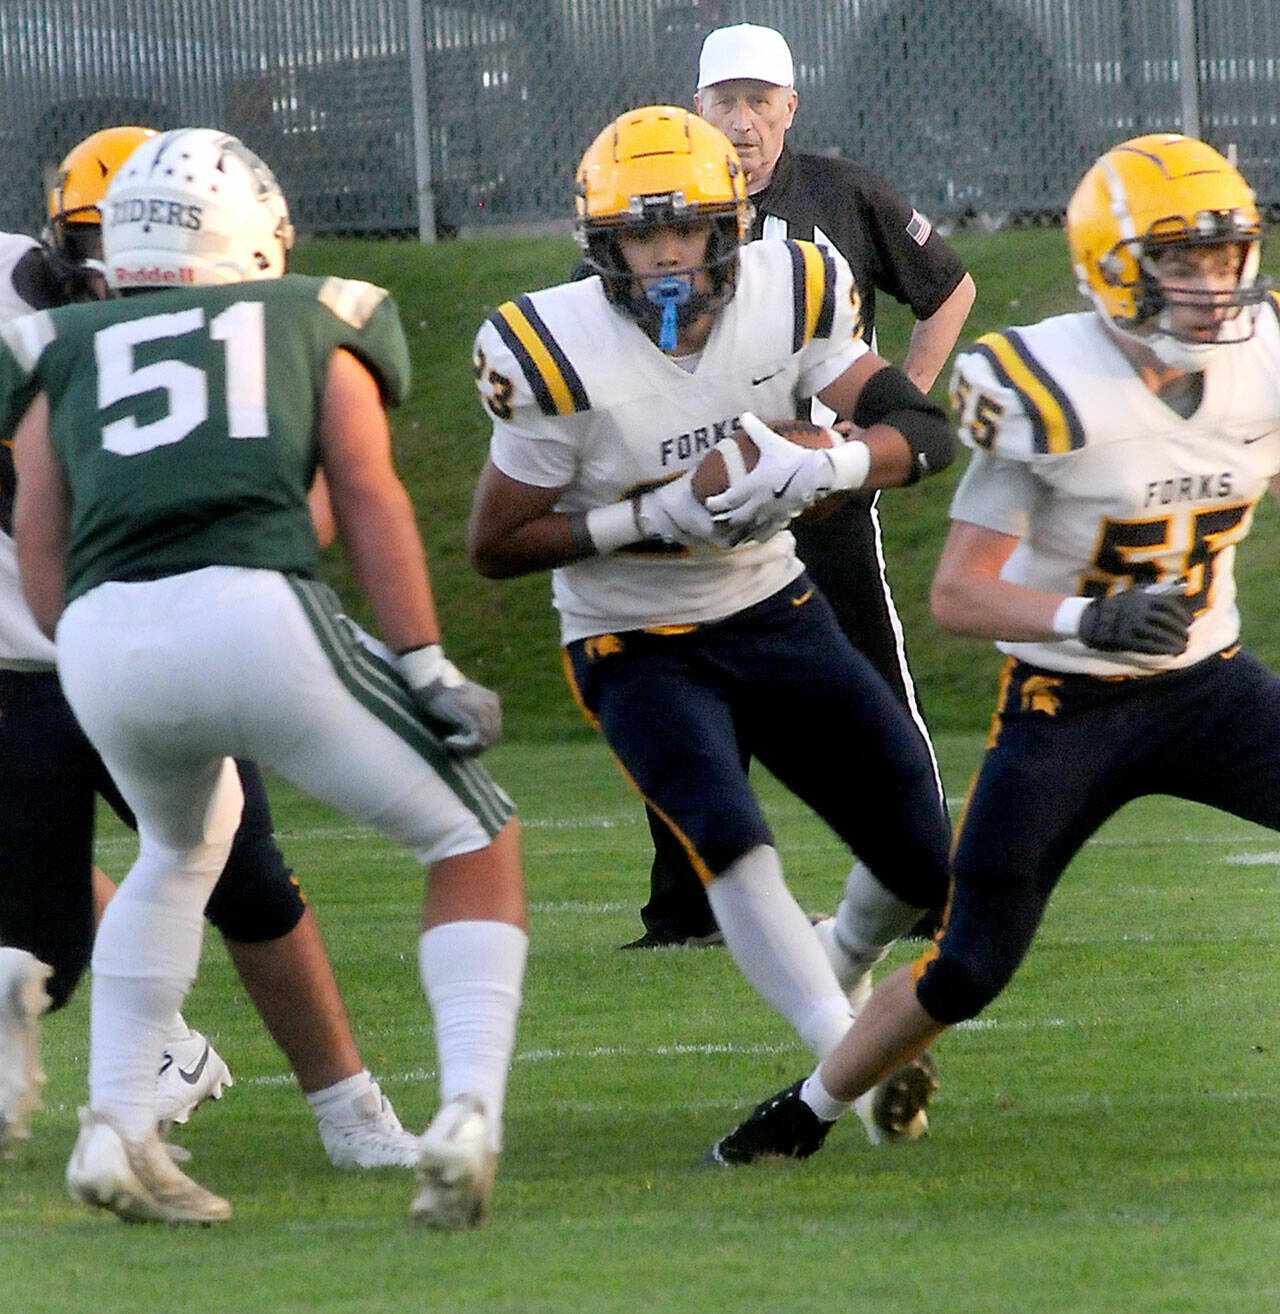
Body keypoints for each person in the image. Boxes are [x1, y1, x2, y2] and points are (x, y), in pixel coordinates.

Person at [704, 131, 1280, 1166]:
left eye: (1223, 256)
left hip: (1209, 683)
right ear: (1112, 266)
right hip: (1069, 705)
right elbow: (957, 593)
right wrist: (1080, 619)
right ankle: (806, 1109)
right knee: (967, 965)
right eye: (1179, 261)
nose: (1211, 285)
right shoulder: (1045, 388)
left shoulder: (1262, 358)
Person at [10, 127, 527, 1228]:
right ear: (252, 238)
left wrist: (97, 650)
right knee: (473, 837)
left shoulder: (60, 343)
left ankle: (116, 1128)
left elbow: (40, 538)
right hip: (250, 608)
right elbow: (369, 495)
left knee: (176, 850)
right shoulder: (313, 312)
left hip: (96, 642)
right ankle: (466, 1113)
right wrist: (424, 662)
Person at [466, 105, 954, 1147]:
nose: (664, 258)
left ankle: (826, 963)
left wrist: (823, 465)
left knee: (920, 852)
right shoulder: (551, 348)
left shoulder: (796, 288)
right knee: (726, 839)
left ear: (728, 226)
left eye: (682, 230)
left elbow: (922, 430)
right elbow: (496, 544)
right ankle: (849, 1064)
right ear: (604, 247)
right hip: (628, 638)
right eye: (642, 237)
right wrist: (649, 513)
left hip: (766, 603)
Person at [622, 21, 976, 954]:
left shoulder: (842, 191)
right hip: (698, 475)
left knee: (871, 677)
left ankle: (934, 887)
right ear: (695, 107)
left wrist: (898, 414)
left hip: (822, 478)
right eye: (723, 102)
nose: (740, 123)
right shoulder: (652, 196)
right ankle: (686, 909)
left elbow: (947, 289)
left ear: (790, 108)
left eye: (757, 102)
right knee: (685, 683)